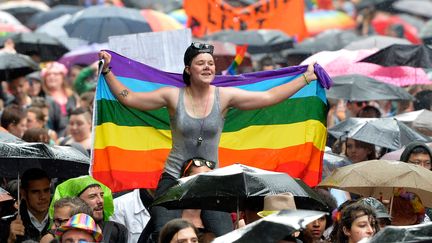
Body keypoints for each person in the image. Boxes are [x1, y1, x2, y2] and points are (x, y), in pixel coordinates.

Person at [99, 42, 319, 238]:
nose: (207, 67)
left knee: (224, 235)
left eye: (211, 63)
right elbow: (130, 98)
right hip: (174, 176)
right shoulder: (172, 95)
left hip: (212, 180)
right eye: (201, 63)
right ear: (188, 69)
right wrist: (108, 71)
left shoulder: (224, 96)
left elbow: (269, 97)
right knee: (161, 233)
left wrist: (305, 78)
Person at [50, 175, 127, 243]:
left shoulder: (115, 230)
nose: (100, 201)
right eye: (92, 196)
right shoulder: (53, 235)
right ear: (77, 201)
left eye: (102, 195)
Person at [2, 168, 51, 243]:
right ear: (23, 193)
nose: (43, 196)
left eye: (46, 190)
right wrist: (10, 240)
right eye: (35, 192)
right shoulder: (6, 225)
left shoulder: (61, 220)